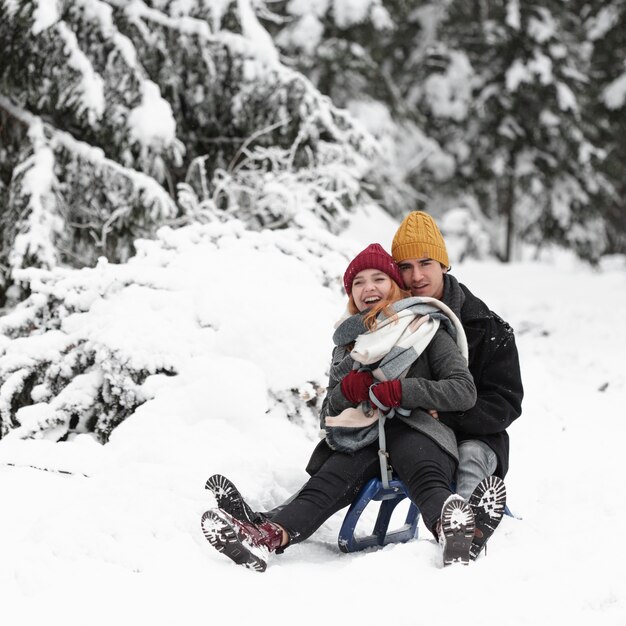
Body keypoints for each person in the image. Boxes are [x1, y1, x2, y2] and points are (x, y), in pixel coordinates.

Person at [207, 212, 522, 560]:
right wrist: (350, 391)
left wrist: (425, 405)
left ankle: (466, 527)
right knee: (336, 473)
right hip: (376, 431)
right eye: (405, 266)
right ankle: (267, 530)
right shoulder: (355, 338)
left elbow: (494, 399)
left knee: (461, 461)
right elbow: (333, 408)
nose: (416, 276)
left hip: (462, 429)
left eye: (426, 263)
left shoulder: (459, 326)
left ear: (443, 264)